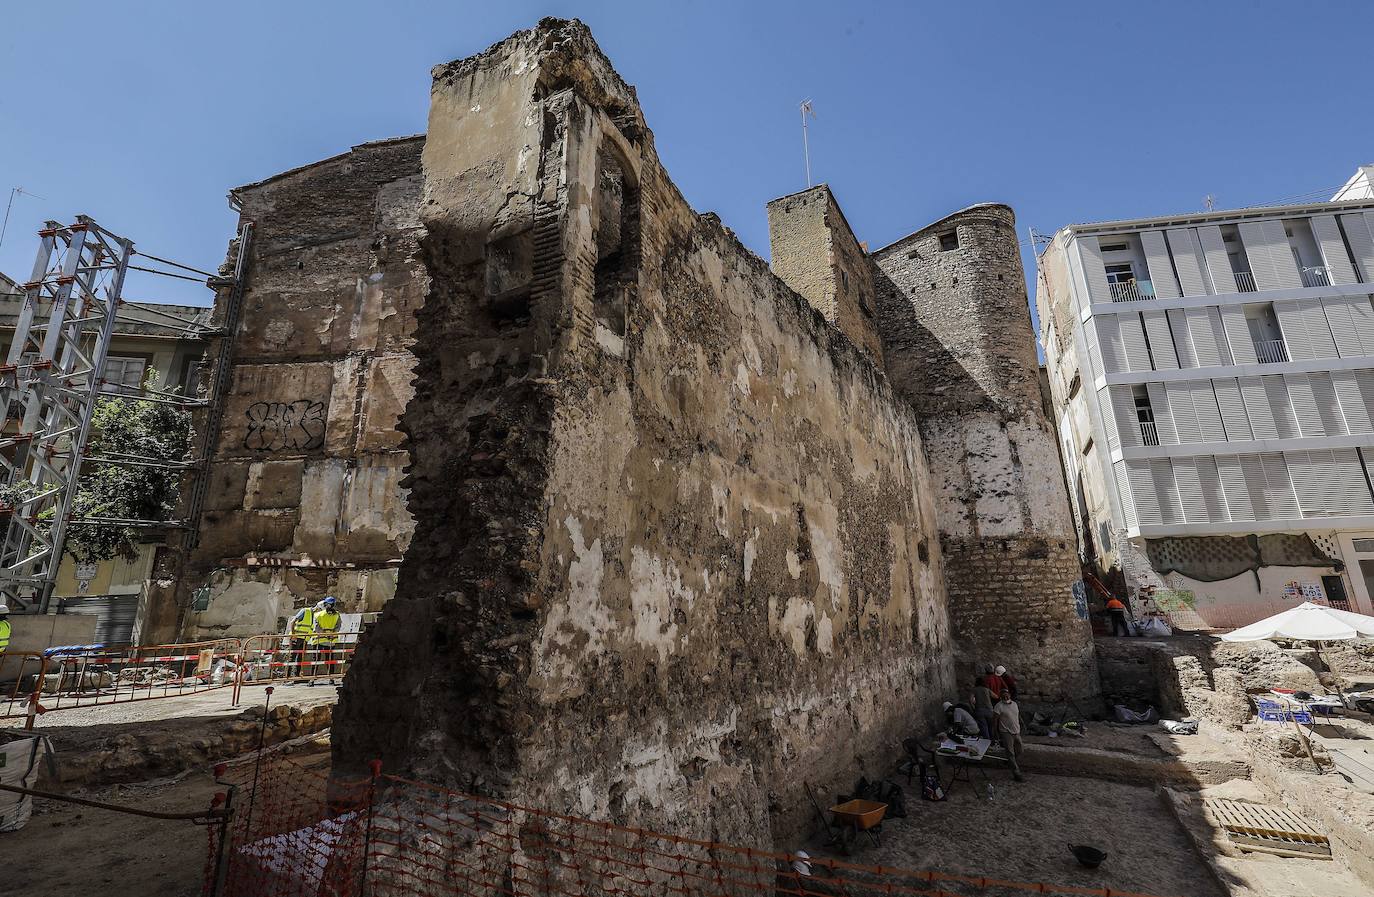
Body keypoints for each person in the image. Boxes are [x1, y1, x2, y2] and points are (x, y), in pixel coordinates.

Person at [308, 596, 342, 686]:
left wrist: (324, 634)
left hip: (318, 639)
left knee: (316, 660)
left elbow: (316, 628)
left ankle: (312, 680)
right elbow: (338, 627)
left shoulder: (318, 615)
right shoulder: (337, 615)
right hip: (330, 640)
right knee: (330, 660)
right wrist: (331, 634)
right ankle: (331, 679)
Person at [993, 689, 1025, 781]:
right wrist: (995, 733)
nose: (1005, 697)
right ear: (1001, 696)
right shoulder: (998, 706)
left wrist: (1022, 722)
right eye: (1003, 695)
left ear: (1009, 695)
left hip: (1016, 731)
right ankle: (1016, 773)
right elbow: (995, 720)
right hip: (1005, 732)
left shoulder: (1014, 704)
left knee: (1020, 750)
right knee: (1010, 752)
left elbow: (1017, 715)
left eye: (1006, 695)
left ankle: (1010, 762)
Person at [285, 603, 315, 680]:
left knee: (300, 657)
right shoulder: (305, 611)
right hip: (296, 637)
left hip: (303, 639)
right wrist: (293, 635)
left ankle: (297, 676)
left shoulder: (314, 615)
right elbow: (292, 622)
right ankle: (287, 676)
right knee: (292, 656)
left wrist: (307, 639)